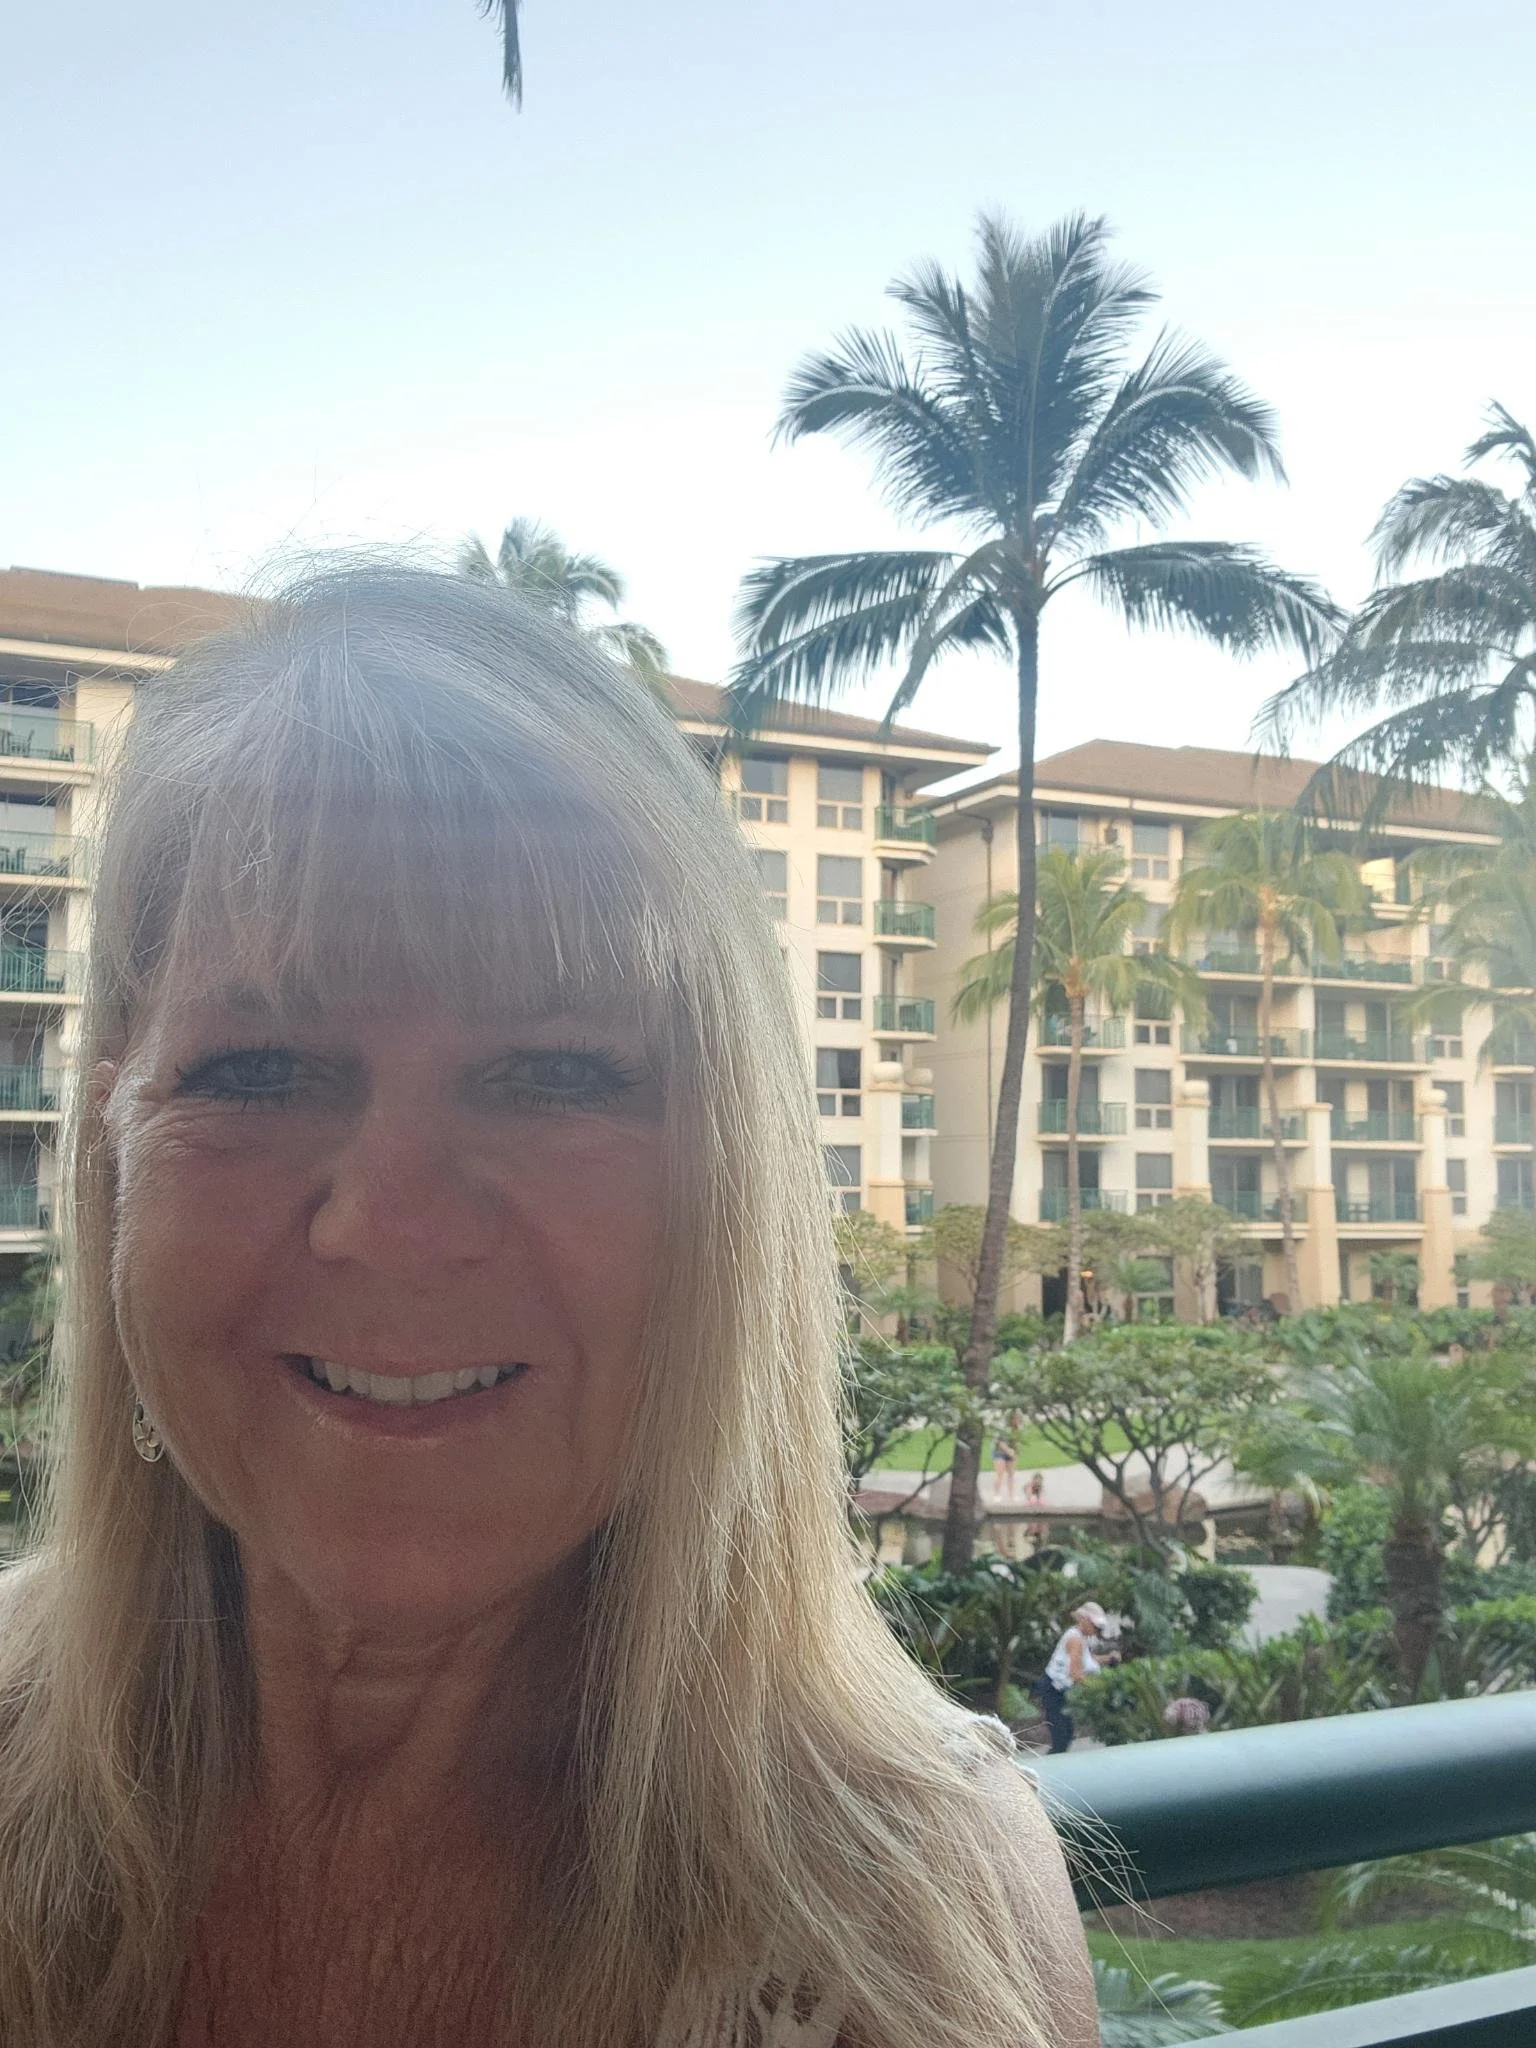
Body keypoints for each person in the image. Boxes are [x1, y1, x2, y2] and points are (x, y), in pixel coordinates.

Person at [0, 568, 1096, 2048]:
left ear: (730, 1205)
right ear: (113, 1158)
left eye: (558, 1075)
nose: (393, 1219)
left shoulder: (899, 1936)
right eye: (256, 1069)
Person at [1038, 1603, 1118, 1755]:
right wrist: (1100, 1688)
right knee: (1061, 1736)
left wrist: (1108, 1658)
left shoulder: (1081, 1636)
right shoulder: (1074, 1638)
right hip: (1054, 1689)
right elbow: (1076, 1673)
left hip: (1061, 1690)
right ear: (1083, 1620)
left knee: (1067, 1733)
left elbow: (1087, 1660)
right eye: (1094, 1626)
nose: (1096, 1630)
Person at [990, 1431, 1017, 1500]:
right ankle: (997, 1494)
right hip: (999, 1451)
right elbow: (1001, 1443)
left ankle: (1011, 1495)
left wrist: (1014, 1453)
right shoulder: (1002, 1429)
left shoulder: (1016, 1429)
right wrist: (1010, 1452)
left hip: (1011, 1450)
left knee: (1011, 1474)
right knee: (1000, 1474)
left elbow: (1016, 1442)